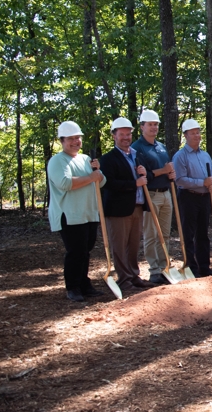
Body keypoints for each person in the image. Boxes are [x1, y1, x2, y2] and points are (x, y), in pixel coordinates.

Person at [47, 121, 107, 302]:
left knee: (85, 250)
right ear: (62, 141)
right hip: (70, 214)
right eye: (70, 139)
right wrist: (91, 177)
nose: (75, 142)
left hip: (88, 212)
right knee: (75, 251)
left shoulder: (84, 159)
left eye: (77, 138)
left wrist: (98, 172)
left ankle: (84, 284)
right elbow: (64, 183)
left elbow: (101, 183)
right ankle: (72, 287)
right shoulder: (57, 160)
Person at [99, 117, 150, 289]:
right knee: (120, 245)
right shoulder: (108, 159)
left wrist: (144, 173)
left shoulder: (137, 156)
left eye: (128, 134)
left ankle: (134, 275)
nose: (126, 138)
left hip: (137, 206)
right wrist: (134, 184)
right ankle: (124, 278)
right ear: (114, 136)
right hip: (118, 208)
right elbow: (109, 183)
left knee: (134, 244)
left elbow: (144, 178)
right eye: (122, 134)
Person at [132, 109, 175, 284]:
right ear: (142, 126)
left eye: (156, 124)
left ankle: (164, 266)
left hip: (166, 193)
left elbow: (166, 170)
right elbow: (142, 176)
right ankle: (154, 270)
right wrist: (163, 171)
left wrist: (170, 174)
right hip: (150, 195)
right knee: (151, 234)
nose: (153, 127)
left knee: (164, 234)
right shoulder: (137, 148)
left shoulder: (161, 146)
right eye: (150, 124)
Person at [171, 119, 212, 277]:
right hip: (188, 197)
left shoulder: (205, 155)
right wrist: (202, 182)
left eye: (198, 132)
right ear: (185, 135)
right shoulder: (180, 156)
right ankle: (191, 267)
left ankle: (204, 267)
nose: (196, 136)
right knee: (188, 233)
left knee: (203, 234)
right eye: (192, 133)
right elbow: (180, 179)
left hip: (204, 198)